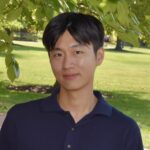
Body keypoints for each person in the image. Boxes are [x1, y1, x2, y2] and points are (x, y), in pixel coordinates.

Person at [0, 12, 143, 150]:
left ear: (99, 56)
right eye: (58, 54)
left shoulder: (125, 131)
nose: (67, 64)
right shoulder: (20, 119)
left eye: (77, 52)